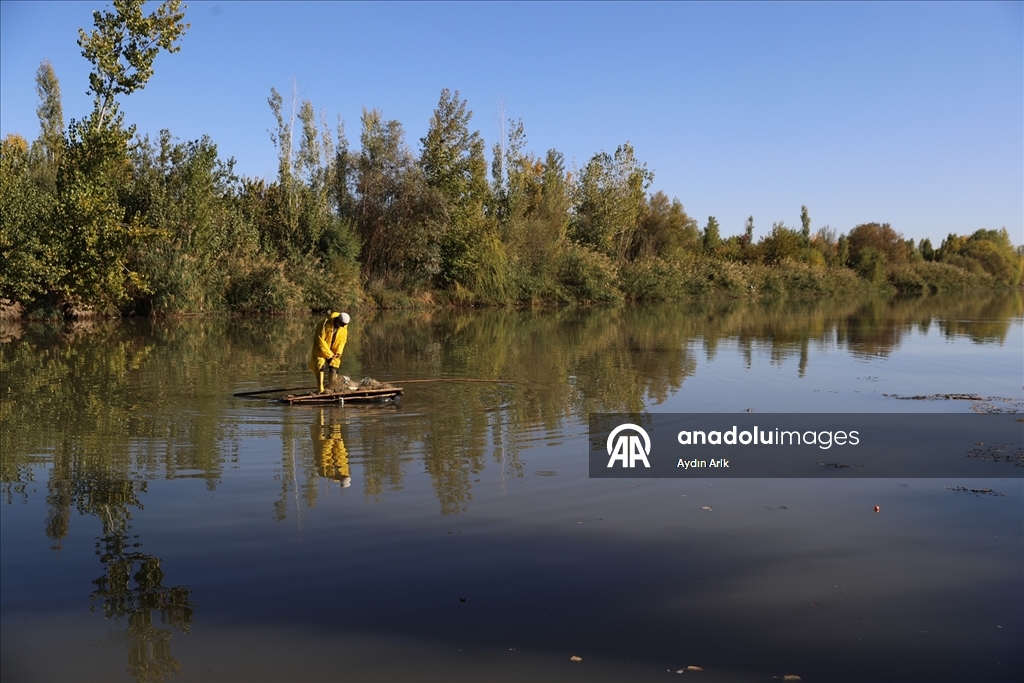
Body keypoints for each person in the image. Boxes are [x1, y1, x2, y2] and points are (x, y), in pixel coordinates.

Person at [308, 311, 350, 393]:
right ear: (338, 320)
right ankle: (320, 390)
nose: (343, 326)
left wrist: (338, 352)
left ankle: (332, 387)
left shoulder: (344, 327)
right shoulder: (324, 324)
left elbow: (342, 341)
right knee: (320, 366)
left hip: (333, 350)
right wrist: (329, 354)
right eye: (342, 324)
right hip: (321, 349)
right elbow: (320, 340)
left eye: (345, 324)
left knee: (334, 366)